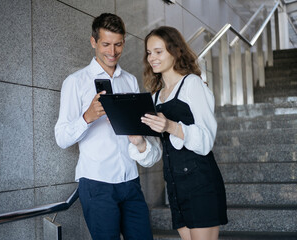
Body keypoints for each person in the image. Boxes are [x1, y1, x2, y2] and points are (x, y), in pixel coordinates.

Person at [54, 13, 161, 240]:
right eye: (105, 44)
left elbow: (139, 129)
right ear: (93, 42)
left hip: (130, 181)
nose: (112, 52)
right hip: (97, 184)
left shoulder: (129, 80)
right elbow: (61, 137)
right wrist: (88, 117)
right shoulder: (76, 81)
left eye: (118, 44)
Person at [140, 26, 228, 240]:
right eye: (149, 52)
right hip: (175, 185)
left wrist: (171, 126)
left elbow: (206, 141)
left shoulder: (192, 84)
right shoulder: (155, 97)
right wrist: (138, 142)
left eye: (158, 51)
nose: (152, 58)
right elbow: (156, 153)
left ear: (175, 50)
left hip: (201, 182)